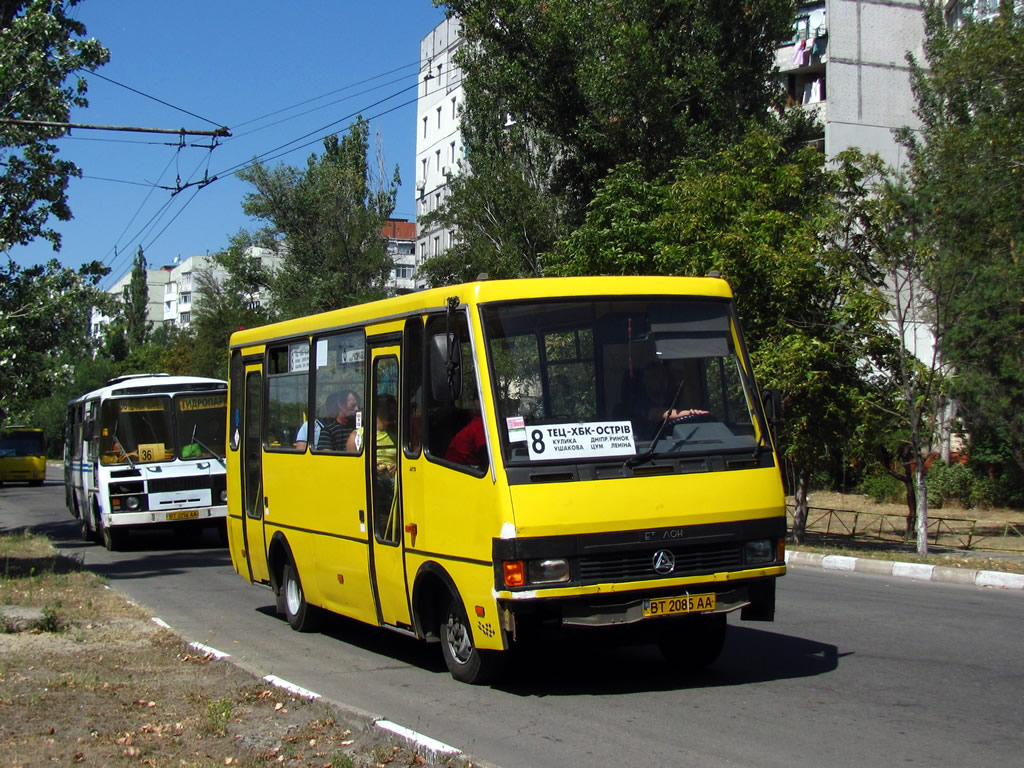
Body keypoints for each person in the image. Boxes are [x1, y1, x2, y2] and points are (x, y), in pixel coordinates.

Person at [629, 360, 708, 439]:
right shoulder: (639, 403)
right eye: (654, 376)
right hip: (646, 446)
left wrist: (695, 413)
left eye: (663, 376)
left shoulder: (674, 399)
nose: (660, 380)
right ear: (644, 380)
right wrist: (689, 413)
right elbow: (656, 414)